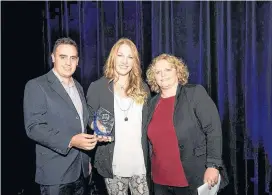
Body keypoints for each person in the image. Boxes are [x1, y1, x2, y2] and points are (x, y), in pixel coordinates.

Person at [23, 37, 98, 195]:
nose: (68, 63)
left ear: (78, 61)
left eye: (73, 58)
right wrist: (70, 140)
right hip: (55, 175)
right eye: (62, 57)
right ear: (52, 58)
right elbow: (34, 127)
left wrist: (97, 127)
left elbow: (81, 118)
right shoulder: (36, 85)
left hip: (81, 171)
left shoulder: (78, 86)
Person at [145, 54, 229, 195]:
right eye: (158, 72)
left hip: (192, 179)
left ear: (178, 71)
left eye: (168, 70)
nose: (162, 75)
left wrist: (213, 165)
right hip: (160, 182)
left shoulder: (195, 93)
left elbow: (213, 130)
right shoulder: (152, 103)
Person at [86, 38, 151, 195]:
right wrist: (96, 128)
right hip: (113, 163)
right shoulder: (98, 87)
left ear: (134, 61)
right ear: (113, 57)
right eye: (120, 55)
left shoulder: (143, 88)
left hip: (140, 162)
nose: (124, 61)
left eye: (130, 57)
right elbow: (89, 118)